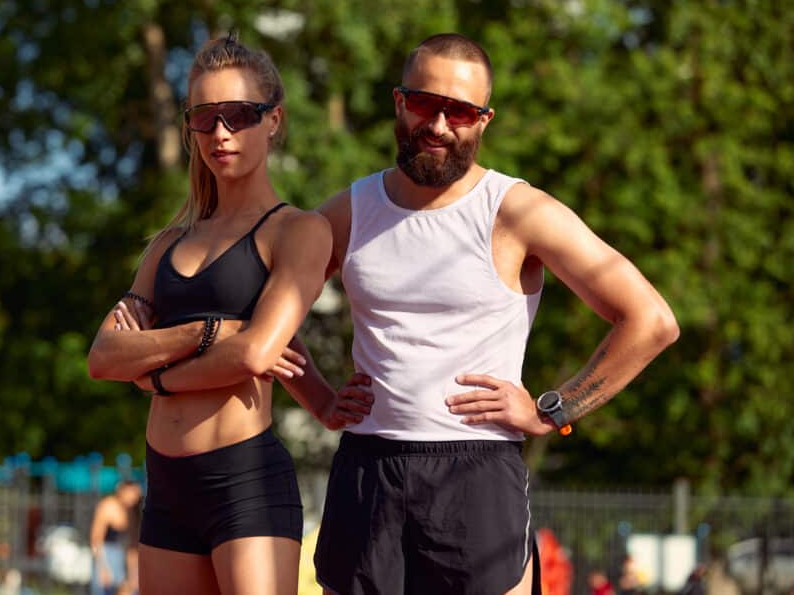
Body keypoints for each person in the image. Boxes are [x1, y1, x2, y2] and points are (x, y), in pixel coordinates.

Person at [312, 33, 680, 594]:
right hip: (367, 467)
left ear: (483, 121)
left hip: (475, 472)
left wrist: (553, 409)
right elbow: (258, 310)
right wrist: (319, 399)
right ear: (398, 102)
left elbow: (650, 320)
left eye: (458, 111)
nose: (438, 124)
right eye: (424, 103)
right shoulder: (349, 211)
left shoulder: (517, 211)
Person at [87, 34, 374, 595]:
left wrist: (154, 376)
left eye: (239, 115)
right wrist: (205, 331)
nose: (220, 132)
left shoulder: (298, 231)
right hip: (166, 489)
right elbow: (102, 357)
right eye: (204, 118)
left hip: (244, 485)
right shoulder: (167, 244)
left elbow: (257, 352)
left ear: (273, 121)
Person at [89, 481, 142, 595]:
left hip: (122, 557)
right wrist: (102, 567)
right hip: (106, 555)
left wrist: (133, 573)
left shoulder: (131, 511)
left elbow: (132, 547)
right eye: (133, 494)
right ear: (122, 491)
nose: (135, 498)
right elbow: (96, 539)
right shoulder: (107, 506)